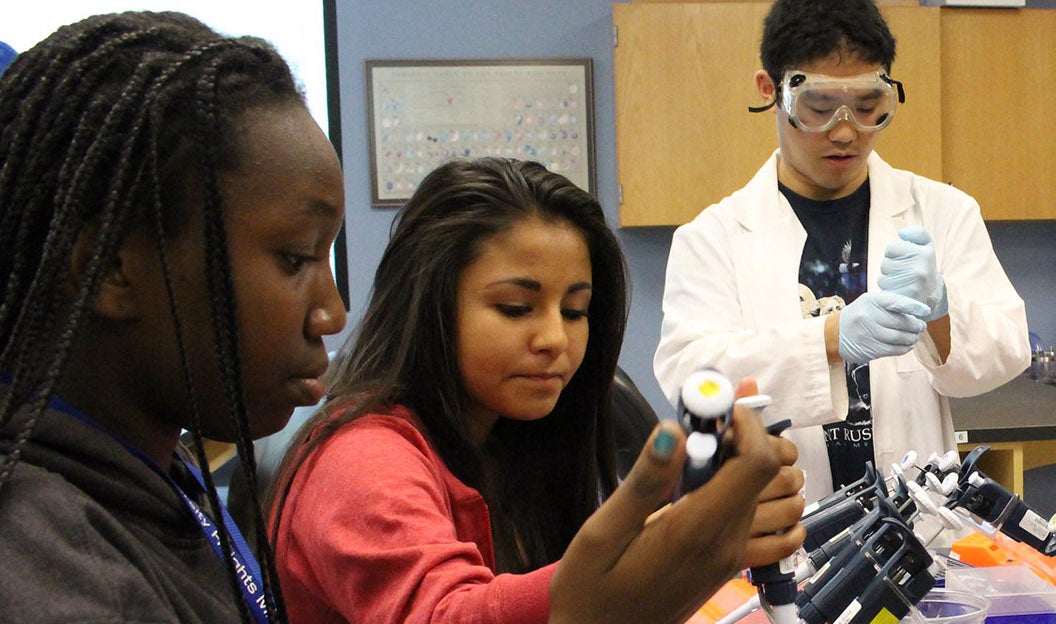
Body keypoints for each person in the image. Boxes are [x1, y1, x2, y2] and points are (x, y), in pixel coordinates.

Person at [270, 157, 806, 622]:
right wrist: (659, 554)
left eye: (574, 311)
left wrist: (691, 540)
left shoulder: (512, 444)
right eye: (515, 308)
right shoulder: (361, 460)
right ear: (429, 303)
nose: (555, 339)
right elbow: (447, 614)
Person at [0, 12, 343, 621]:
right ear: (111, 268)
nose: (332, 314)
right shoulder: (47, 574)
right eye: (295, 258)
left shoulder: (152, 468)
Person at [655, 0, 1028, 499]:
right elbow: (692, 381)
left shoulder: (941, 212)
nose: (846, 130)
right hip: (780, 519)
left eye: (868, 106)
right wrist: (830, 338)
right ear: (770, 90)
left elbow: (1006, 351)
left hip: (918, 521)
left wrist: (939, 310)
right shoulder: (711, 238)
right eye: (819, 107)